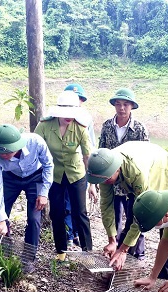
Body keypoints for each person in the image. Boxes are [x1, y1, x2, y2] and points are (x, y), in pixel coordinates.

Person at [86, 142, 168, 279]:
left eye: (107, 180)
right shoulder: (104, 171)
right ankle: (123, 269)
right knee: (131, 218)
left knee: (167, 225)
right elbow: (106, 206)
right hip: (140, 175)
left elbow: (140, 220)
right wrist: (112, 240)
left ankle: (166, 277)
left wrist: (123, 249)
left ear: (116, 170)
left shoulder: (136, 172)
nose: (105, 183)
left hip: (163, 172)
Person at [34, 90, 97, 261]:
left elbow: (87, 156)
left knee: (80, 213)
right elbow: (35, 148)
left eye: (72, 113)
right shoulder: (45, 125)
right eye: (65, 114)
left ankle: (87, 252)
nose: (69, 117)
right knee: (57, 212)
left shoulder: (80, 128)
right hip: (53, 174)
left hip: (76, 174)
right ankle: (60, 251)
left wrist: (92, 184)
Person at [0, 124, 53, 273]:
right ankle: (4, 251)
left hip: (35, 177)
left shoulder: (36, 142)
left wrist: (44, 192)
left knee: (34, 218)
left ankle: (28, 258)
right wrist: (2, 221)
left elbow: (49, 165)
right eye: (0, 152)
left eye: (7, 151)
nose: (3, 155)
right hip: (10, 178)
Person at [97, 88, 149, 259]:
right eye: (118, 104)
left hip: (133, 180)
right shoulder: (107, 126)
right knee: (114, 217)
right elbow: (101, 151)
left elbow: (145, 156)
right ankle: (116, 251)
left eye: (125, 104)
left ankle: (136, 255)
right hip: (112, 180)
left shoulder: (139, 129)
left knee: (137, 216)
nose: (121, 108)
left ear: (132, 106)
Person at [63, 83, 96, 251]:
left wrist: (92, 181)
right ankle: (68, 237)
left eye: (79, 100)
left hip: (79, 170)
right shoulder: (56, 117)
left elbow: (90, 148)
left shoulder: (85, 119)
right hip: (61, 170)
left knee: (79, 207)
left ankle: (79, 238)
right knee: (65, 206)